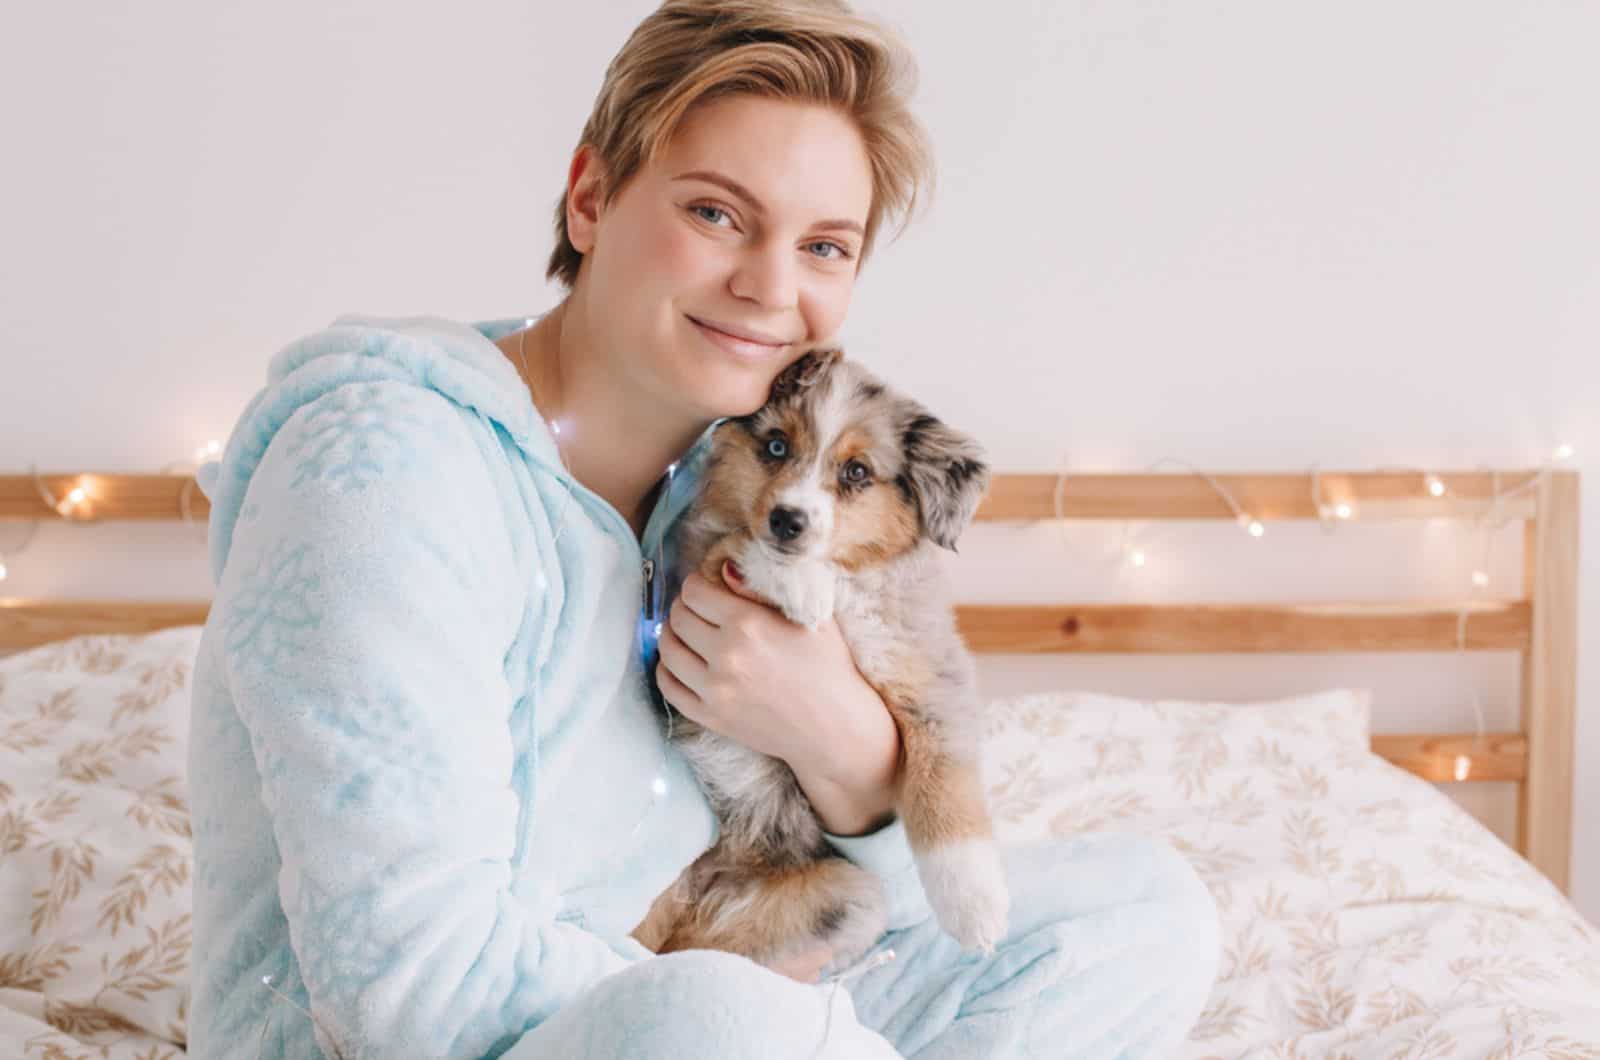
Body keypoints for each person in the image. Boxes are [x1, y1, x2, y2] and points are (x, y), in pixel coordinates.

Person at [185, 1, 1220, 1056]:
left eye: (823, 245)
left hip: (703, 981)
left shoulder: (737, 481)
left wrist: (838, 736)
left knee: (1137, 910)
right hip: (450, 1036)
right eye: (718, 214)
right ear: (590, 198)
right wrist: (758, 1016)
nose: (772, 287)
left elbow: (894, 893)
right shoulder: (382, 472)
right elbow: (410, 989)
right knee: (713, 1018)